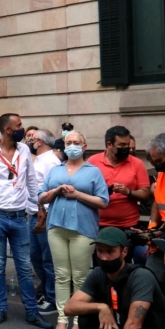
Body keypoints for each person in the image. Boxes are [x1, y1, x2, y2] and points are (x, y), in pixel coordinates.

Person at [0, 113, 52, 328]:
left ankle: (31, 312)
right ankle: (1, 308)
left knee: (24, 267)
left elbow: (32, 181)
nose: (22, 129)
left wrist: (40, 207)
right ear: (8, 130)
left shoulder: (24, 150)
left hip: (19, 217)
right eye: (18, 126)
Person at [38, 131, 110, 329]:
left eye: (76, 142)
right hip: (56, 227)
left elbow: (103, 201)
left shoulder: (93, 171)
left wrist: (77, 194)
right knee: (61, 275)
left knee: (80, 276)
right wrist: (55, 191)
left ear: (84, 146)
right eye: (68, 142)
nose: (72, 146)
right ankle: (62, 318)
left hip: (82, 229)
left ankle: (79, 319)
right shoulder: (56, 169)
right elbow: (41, 197)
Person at [64, 227, 165, 329]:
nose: (104, 257)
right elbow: (69, 307)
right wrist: (101, 307)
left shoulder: (141, 277)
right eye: (100, 251)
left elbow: (133, 325)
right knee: (87, 317)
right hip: (121, 322)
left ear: (124, 252)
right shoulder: (98, 273)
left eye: (110, 251)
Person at [88, 127, 150, 243]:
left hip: (128, 225)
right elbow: (84, 190)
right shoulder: (93, 161)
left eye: (127, 144)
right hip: (97, 223)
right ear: (109, 144)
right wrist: (103, 192)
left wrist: (128, 192)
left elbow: (145, 193)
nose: (126, 148)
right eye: (121, 145)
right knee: (100, 258)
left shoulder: (137, 163)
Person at [29, 129, 61, 316]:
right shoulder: (39, 159)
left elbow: (52, 189)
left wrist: (45, 213)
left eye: (33, 139)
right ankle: (47, 291)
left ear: (40, 141)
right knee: (36, 257)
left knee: (48, 260)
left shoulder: (51, 162)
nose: (30, 141)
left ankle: (52, 298)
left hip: (45, 217)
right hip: (33, 215)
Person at [144, 134, 165, 288]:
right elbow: (158, 203)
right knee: (150, 279)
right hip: (161, 235)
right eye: (153, 161)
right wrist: (152, 229)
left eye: (159, 161)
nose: (156, 165)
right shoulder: (162, 175)